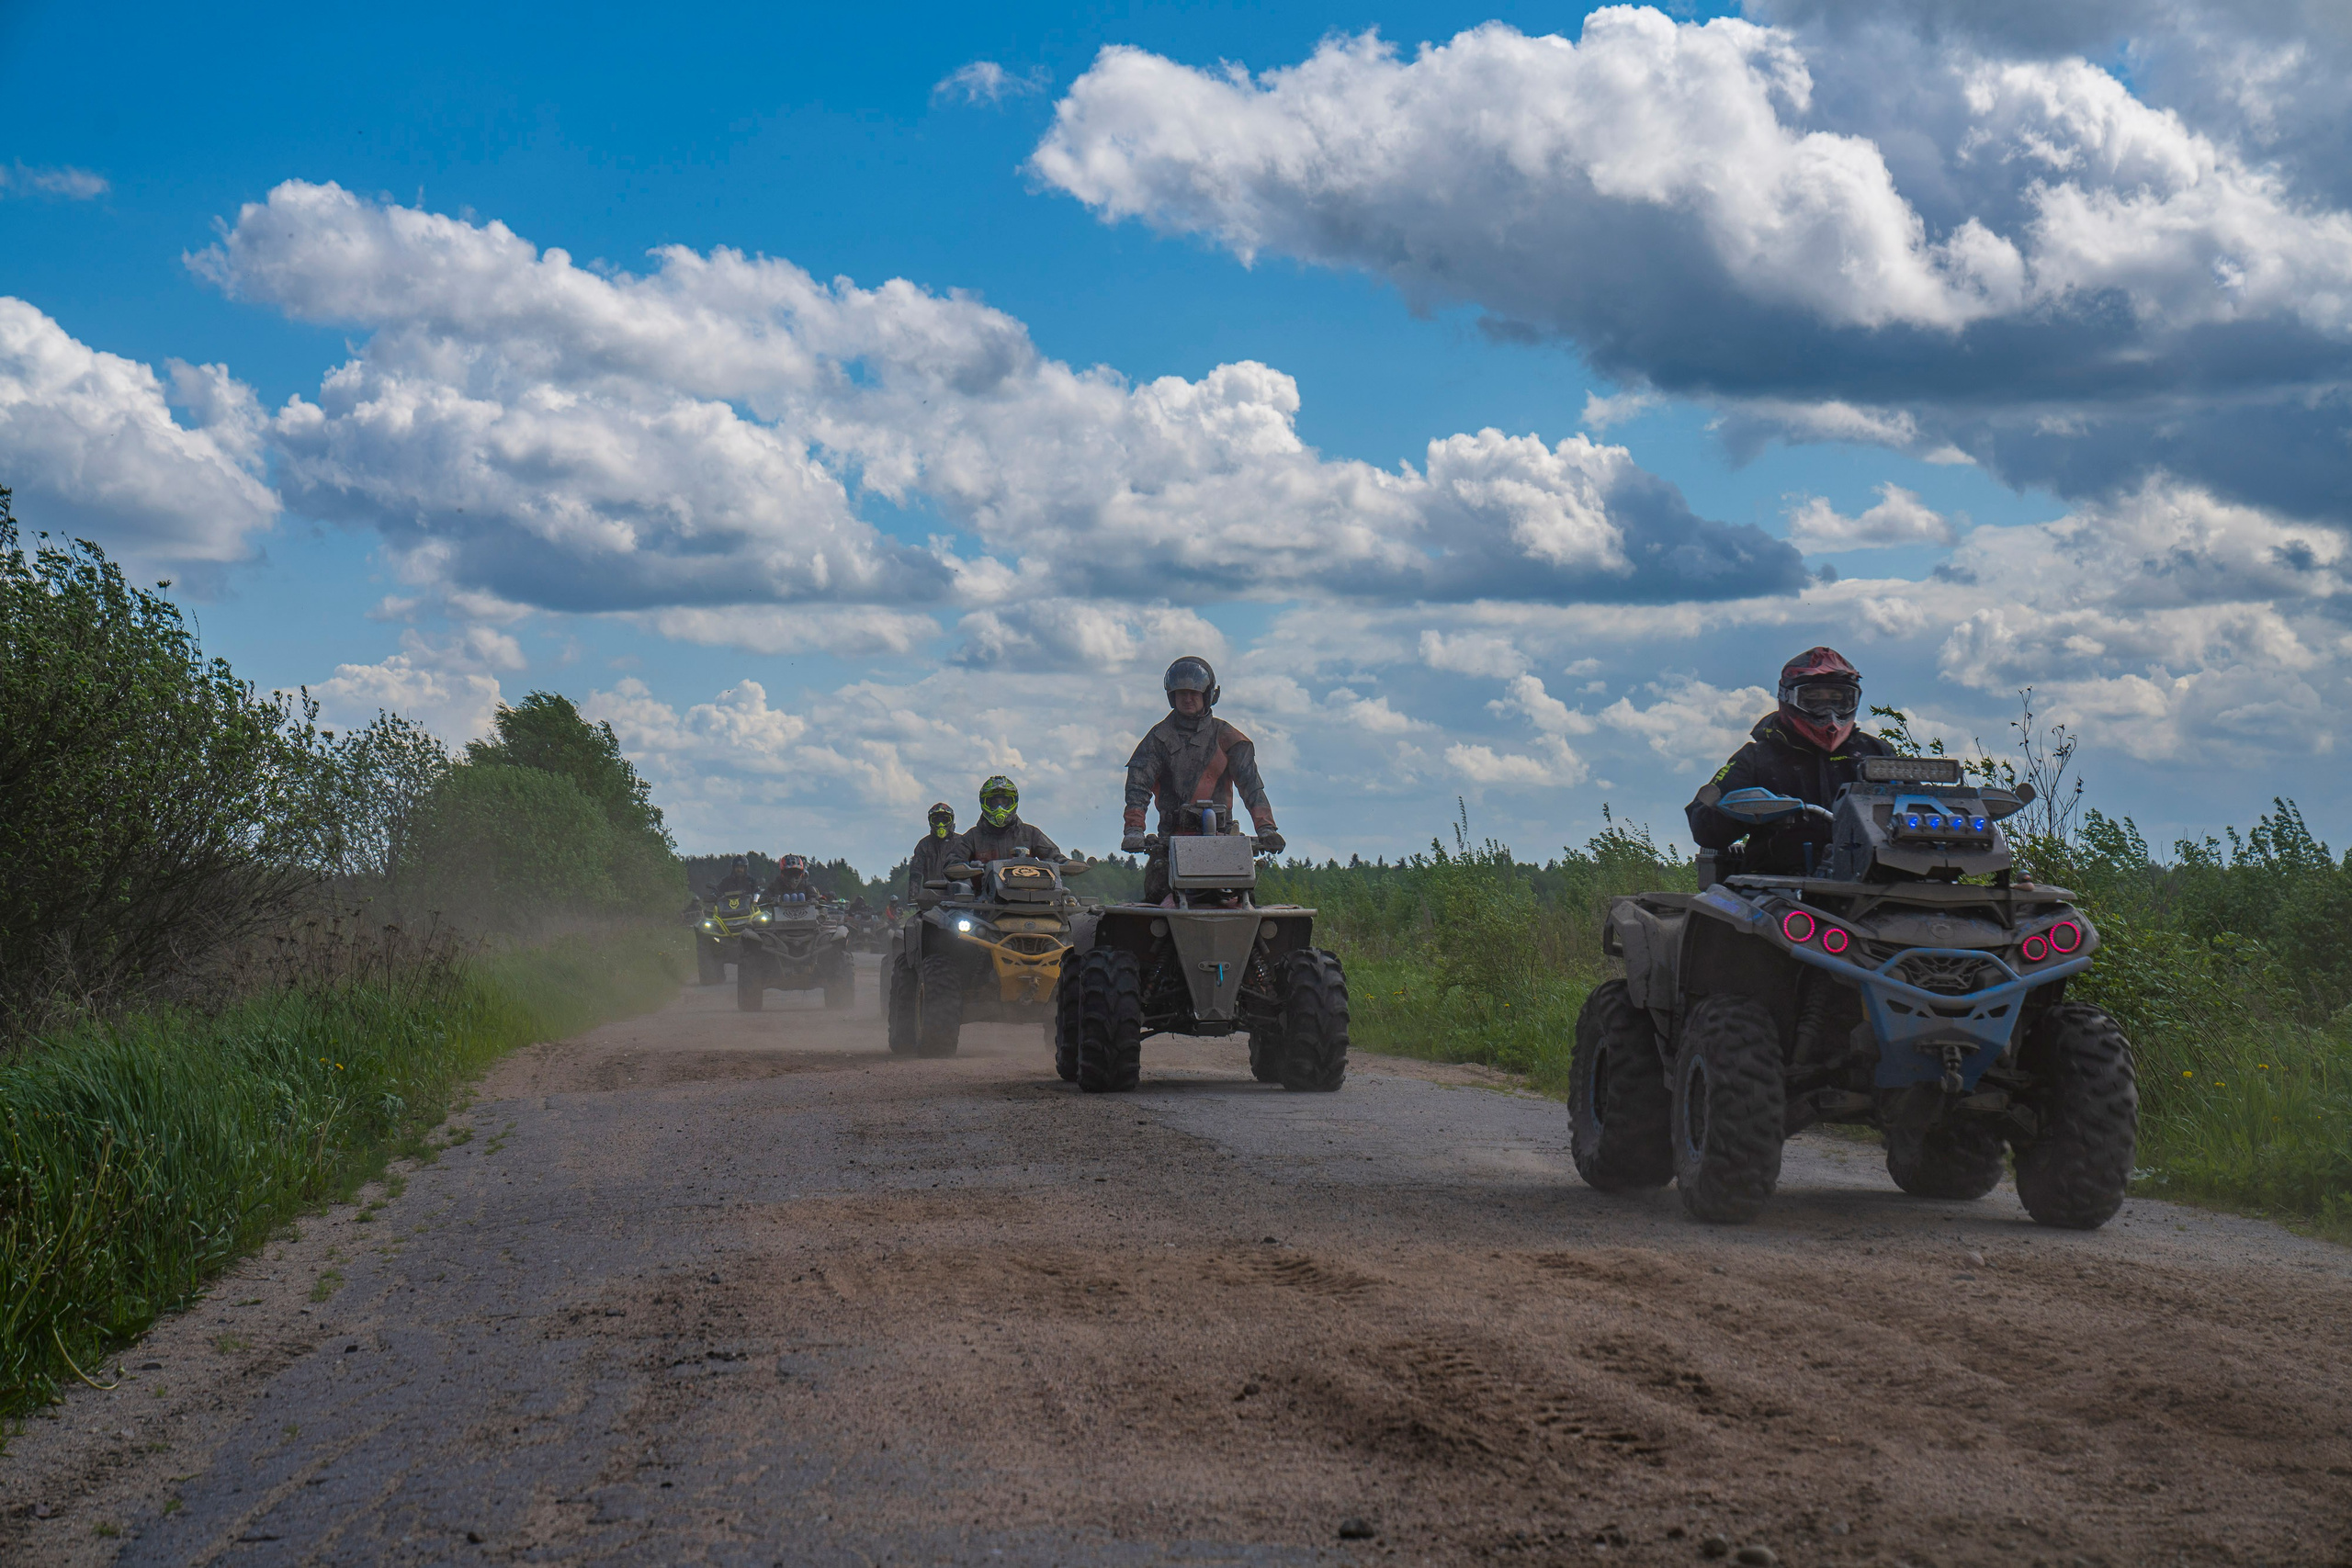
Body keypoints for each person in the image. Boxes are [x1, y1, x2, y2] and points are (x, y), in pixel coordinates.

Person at [1686, 647, 1894, 876]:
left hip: (1870, 882)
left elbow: (1917, 806)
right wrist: (1741, 808)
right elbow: (1704, 831)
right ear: (1788, 697)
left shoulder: (1876, 753)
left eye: (1837, 699)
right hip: (1776, 884)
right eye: (1814, 699)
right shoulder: (1757, 757)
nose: (1828, 710)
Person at [1121, 656, 1283, 904]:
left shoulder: (1228, 737)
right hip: (1170, 845)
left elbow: (1251, 786)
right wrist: (1134, 829)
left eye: (1194, 693)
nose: (1188, 699)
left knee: (1243, 907)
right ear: (1171, 696)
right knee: (1153, 914)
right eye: (1181, 693)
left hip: (1223, 845)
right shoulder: (1158, 738)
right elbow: (1138, 786)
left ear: (1208, 695)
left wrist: (1266, 829)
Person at [952, 775, 1065, 866]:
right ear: (984, 803)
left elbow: (1056, 857)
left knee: (1063, 893)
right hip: (985, 893)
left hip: (1029, 891)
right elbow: (952, 863)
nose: (999, 808)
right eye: (994, 803)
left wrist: (1064, 863)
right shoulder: (972, 837)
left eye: (1005, 802)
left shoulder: (1030, 834)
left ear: (1014, 802)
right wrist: (969, 866)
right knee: (962, 893)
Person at [905, 801, 962, 902]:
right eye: (936, 820)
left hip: (959, 896)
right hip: (931, 898)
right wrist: (913, 897)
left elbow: (974, 869)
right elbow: (916, 873)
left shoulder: (962, 842)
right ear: (930, 822)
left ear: (951, 821)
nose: (940, 824)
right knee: (917, 918)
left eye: (944, 820)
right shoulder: (924, 845)